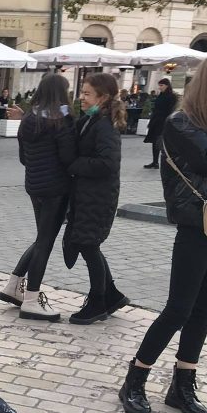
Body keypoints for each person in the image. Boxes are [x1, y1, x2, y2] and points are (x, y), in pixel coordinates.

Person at [120, 52, 207, 413]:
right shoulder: (181, 123)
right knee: (179, 308)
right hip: (199, 227)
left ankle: (182, 385)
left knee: (204, 310)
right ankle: (135, 378)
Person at [0, 74, 77, 322]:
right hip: (56, 189)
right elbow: (68, 159)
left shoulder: (29, 119)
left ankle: (13, 285)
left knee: (43, 238)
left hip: (34, 186)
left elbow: (24, 157)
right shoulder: (62, 121)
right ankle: (31, 299)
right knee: (45, 241)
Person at [64, 72, 129, 325]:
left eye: (87, 93)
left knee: (88, 245)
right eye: (81, 92)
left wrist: (74, 164)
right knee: (88, 244)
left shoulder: (104, 125)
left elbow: (107, 163)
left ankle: (97, 302)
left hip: (98, 197)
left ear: (102, 97)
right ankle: (111, 295)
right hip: (89, 196)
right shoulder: (93, 120)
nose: (81, 97)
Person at [143, 78, 179, 169]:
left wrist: (169, 122)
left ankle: (168, 162)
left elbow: (171, 110)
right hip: (156, 121)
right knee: (155, 141)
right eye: (159, 85)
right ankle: (155, 162)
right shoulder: (160, 95)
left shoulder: (172, 96)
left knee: (162, 142)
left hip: (164, 121)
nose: (160, 87)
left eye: (161, 85)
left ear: (167, 86)